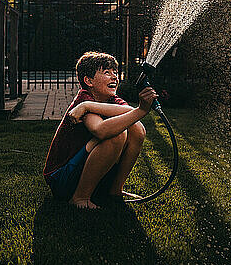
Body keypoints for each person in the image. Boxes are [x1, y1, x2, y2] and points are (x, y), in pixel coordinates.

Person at [43, 51, 157, 209]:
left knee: (136, 127)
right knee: (115, 134)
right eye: (107, 72)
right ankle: (79, 197)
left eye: (115, 72)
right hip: (62, 178)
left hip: (82, 171)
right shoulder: (84, 98)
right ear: (88, 81)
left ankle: (115, 190)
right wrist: (141, 111)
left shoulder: (109, 101)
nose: (114, 77)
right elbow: (100, 131)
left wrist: (89, 106)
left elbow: (128, 112)